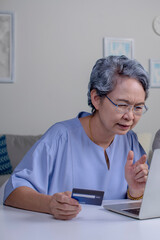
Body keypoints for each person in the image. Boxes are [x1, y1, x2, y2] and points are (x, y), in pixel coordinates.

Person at [3, 55, 150, 220]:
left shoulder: (130, 141)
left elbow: (143, 200)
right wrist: (50, 204)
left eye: (138, 107)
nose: (130, 116)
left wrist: (135, 191)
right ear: (96, 99)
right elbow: (13, 192)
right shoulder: (60, 136)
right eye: (122, 105)